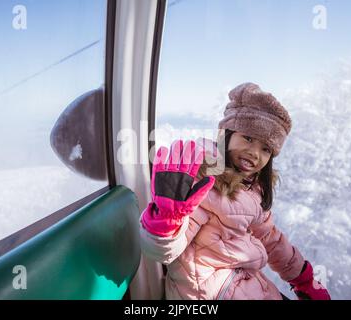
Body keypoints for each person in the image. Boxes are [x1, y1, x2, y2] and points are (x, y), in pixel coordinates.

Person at [139, 82, 331, 300]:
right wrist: (167, 221)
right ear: (226, 135)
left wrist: (303, 278)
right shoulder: (205, 182)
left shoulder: (252, 188)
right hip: (209, 293)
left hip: (244, 283)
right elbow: (162, 253)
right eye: (248, 138)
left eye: (266, 148)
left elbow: (270, 239)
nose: (254, 153)